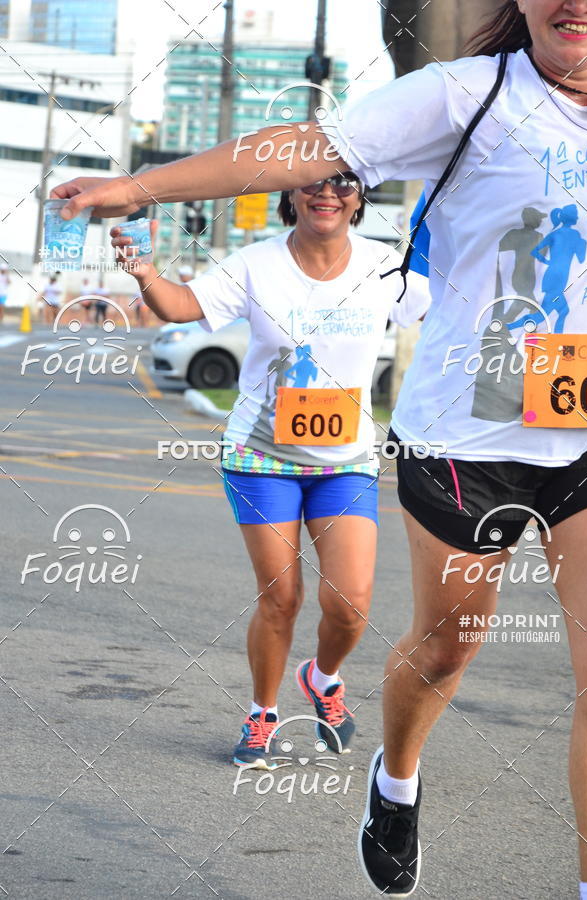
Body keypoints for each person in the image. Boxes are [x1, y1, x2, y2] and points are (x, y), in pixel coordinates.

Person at [50, 2, 587, 893]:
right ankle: (395, 779)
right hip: (463, 435)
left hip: (586, 436)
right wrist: (146, 190)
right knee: (448, 645)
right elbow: (296, 147)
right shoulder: (463, 96)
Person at [108, 172, 425, 772]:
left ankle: (323, 677)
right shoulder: (255, 264)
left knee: (350, 605)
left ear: (359, 198)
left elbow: (446, 315)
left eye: (344, 183)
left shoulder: (386, 266)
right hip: (261, 456)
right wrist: (144, 270)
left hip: (347, 460)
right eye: (312, 184)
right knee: (282, 597)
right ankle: (262, 715)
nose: (327, 193)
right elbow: (181, 306)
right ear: (291, 194)